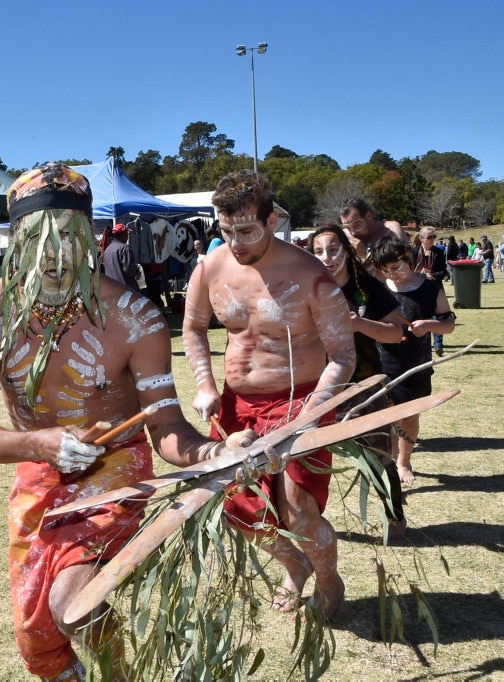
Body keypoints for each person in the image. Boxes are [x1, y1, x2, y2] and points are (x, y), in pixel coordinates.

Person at [0, 163, 219, 680]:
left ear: (93, 239)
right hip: (39, 475)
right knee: (36, 635)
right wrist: (40, 444)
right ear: (15, 240)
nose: (54, 258)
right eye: (38, 242)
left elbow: (166, 427)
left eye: (68, 240)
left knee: (71, 600)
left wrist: (210, 452)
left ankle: (121, 673)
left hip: (116, 470)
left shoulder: (134, 316)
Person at [185, 170, 356, 620]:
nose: (235, 242)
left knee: (298, 509)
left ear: (273, 219)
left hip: (301, 401)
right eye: (225, 231)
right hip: (236, 407)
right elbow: (193, 328)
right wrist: (204, 384)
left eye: (246, 230)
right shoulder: (210, 268)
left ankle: (326, 578)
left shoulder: (310, 275)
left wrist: (313, 413)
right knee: (242, 508)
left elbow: (342, 355)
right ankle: (294, 567)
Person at [308, 224, 407, 540]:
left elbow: (395, 333)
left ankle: (394, 519)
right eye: (319, 251)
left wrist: (360, 324)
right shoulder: (305, 287)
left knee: (379, 456)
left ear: (346, 251)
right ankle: (306, 523)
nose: (327, 257)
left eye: (334, 249)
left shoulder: (366, 288)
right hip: (317, 388)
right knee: (306, 458)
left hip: (363, 386)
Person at [369, 237, 456, 484]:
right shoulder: (378, 288)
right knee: (386, 418)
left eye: (396, 268)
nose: (392, 275)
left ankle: (404, 462)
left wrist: (430, 325)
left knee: (410, 417)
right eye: (385, 270)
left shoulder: (430, 287)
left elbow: (449, 325)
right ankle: (389, 463)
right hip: (382, 363)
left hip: (415, 365)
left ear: (408, 257)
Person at [339, 198, 407, 276]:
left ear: (369, 215)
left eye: (357, 225)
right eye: (348, 228)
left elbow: (406, 267)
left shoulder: (391, 231)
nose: (353, 232)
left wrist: (367, 254)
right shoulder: (345, 235)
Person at [412, 226, 448, 356]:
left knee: (437, 316)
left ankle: (438, 344)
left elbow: (443, 271)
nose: (432, 239)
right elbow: (410, 271)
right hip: (419, 288)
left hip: (435, 288)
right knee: (421, 315)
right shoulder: (414, 252)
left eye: (434, 237)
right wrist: (422, 275)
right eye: (429, 237)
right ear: (421, 238)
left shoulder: (438, 252)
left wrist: (433, 274)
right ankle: (422, 344)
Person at [101, 223, 140, 291]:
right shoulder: (125, 248)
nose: (127, 237)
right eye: (127, 234)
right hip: (125, 289)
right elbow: (129, 269)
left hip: (112, 289)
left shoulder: (108, 249)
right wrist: (137, 271)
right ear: (122, 235)